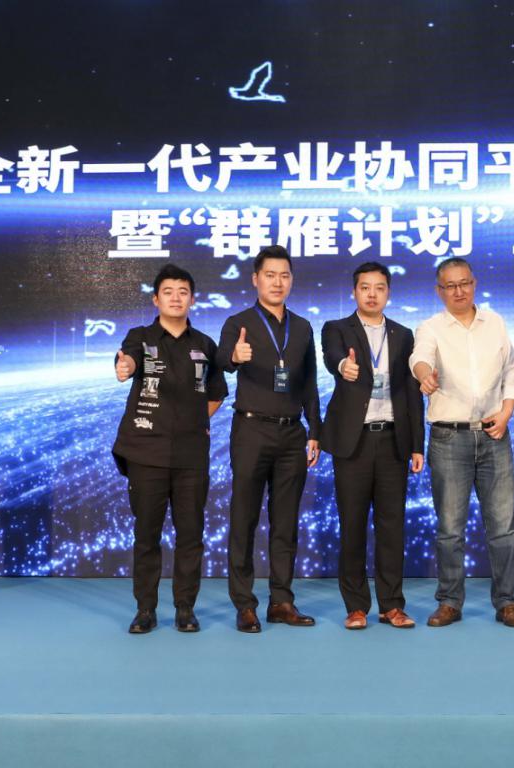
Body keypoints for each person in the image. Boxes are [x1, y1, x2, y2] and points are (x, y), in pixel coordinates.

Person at [409, 257, 514, 628]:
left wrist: (506, 412)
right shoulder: (430, 327)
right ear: (439, 291)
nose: (459, 291)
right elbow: (419, 358)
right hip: (449, 438)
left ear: (474, 284)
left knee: (503, 527)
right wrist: (425, 376)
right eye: (450, 286)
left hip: (495, 434)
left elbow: (511, 371)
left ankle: (506, 603)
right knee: (450, 529)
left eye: (465, 283)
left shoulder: (495, 323)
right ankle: (449, 601)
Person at [112, 264, 226, 634]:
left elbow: (216, 393)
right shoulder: (141, 337)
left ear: (192, 299)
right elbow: (128, 358)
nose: (176, 298)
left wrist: (196, 420)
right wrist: (126, 366)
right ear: (156, 299)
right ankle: (145, 609)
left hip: (191, 456)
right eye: (168, 292)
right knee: (147, 535)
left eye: (183, 292)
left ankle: (185, 609)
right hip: (147, 452)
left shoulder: (204, 345)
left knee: (190, 535)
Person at [216, 245, 322, 633]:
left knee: (285, 522)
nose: (277, 282)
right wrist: (235, 356)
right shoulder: (238, 323)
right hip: (251, 430)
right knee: (243, 518)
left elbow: (309, 383)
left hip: (292, 433)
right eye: (270, 275)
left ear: (291, 280)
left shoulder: (303, 327)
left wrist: (315, 432)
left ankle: (281, 601)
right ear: (255, 279)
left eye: (284, 275)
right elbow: (221, 362)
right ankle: (244, 604)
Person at [321, 262, 425, 630]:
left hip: (393, 440)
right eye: (365, 287)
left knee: (391, 527)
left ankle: (392, 605)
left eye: (379, 287)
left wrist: (417, 445)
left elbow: (411, 393)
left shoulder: (403, 335)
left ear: (388, 293)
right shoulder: (336, 328)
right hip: (355, 442)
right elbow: (333, 356)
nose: (372, 294)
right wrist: (342, 367)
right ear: (354, 292)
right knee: (352, 526)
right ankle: (356, 606)